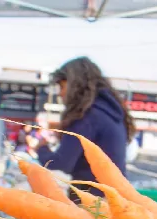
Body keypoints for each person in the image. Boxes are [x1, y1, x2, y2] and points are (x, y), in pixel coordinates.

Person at [33, 57, 135, 201]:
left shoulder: (85, 116)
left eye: (62, 87)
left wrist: (41, 148)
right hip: (116, 201)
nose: (60, 93)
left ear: (75, 85)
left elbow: (61, 165)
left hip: (93, 204)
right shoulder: (111, 113)